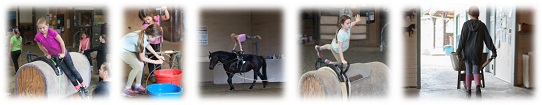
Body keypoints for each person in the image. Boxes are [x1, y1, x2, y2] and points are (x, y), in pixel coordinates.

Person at [34, 17, 89, 97]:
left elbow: (62, 42)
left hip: (64, 54)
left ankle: (84, 86)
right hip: (55, 57)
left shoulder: (52, 32)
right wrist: (46, 53)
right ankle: (78, 89)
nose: (42, 30)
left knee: (72, 69)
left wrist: (63, 53)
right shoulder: (38, 36)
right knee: (68, 73)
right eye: (40, 28)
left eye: (43, 28)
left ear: (48, 26)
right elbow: (40, 45)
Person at [456, 6, 497, 98]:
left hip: (467, 52)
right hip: (477, 52)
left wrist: (459, 52)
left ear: (469, 14)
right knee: (476, 71)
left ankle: (468, 91)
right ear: (478, 14)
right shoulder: (482, 25)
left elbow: (462, 40)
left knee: (468, 71)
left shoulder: (466, 24)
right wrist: (493, 51)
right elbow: (488, 40)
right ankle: (478, 88)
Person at [121, 24, 164, 97]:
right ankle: (126, 89)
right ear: (150, 36)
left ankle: (137, 87)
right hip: (121, 50)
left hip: (127, 48)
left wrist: (157, 55)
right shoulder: (141, 40)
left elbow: (148, 45)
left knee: (141, 65)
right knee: (136, 66)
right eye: (156, 38)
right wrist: (156, 62)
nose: (156, 40)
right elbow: (143, 58)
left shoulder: (146, 34)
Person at [139, 7, 169, 83]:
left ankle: (158, 73)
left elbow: (167, 17)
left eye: (148, 19)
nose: (147, 21)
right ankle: (152, 74)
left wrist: (165, 10)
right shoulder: (145, 25)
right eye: (145, 20)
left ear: (151, 15)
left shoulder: (157, 18)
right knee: (150, 58)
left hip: (158, 42)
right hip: (149, 44)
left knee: (158, 56)